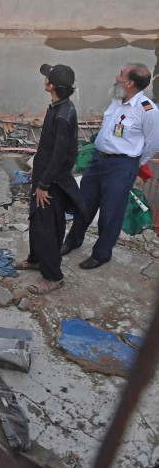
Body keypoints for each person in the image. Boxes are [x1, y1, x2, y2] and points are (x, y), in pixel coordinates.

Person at [63, 64, 159, 270]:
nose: (116, 76)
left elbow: (152, 143)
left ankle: (101, 254)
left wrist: (133, 164)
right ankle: (73, 241)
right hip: (99, 161)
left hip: (122, 165)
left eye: (121, 75)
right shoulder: (116, 99)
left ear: (130, 83)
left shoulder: (147, 110)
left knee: (111, 211)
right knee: (84, 203)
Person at [16, 65, 82, 295]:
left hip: (51, 182)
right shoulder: (58, 107)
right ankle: (35, 259)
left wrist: (44, 185)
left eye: (47, 77)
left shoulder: (63, 115)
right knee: (36, 220)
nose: (44, 79)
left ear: (51, 86)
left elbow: (60, 155)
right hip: (44, 176)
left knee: (47, 227)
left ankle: (53, 276)